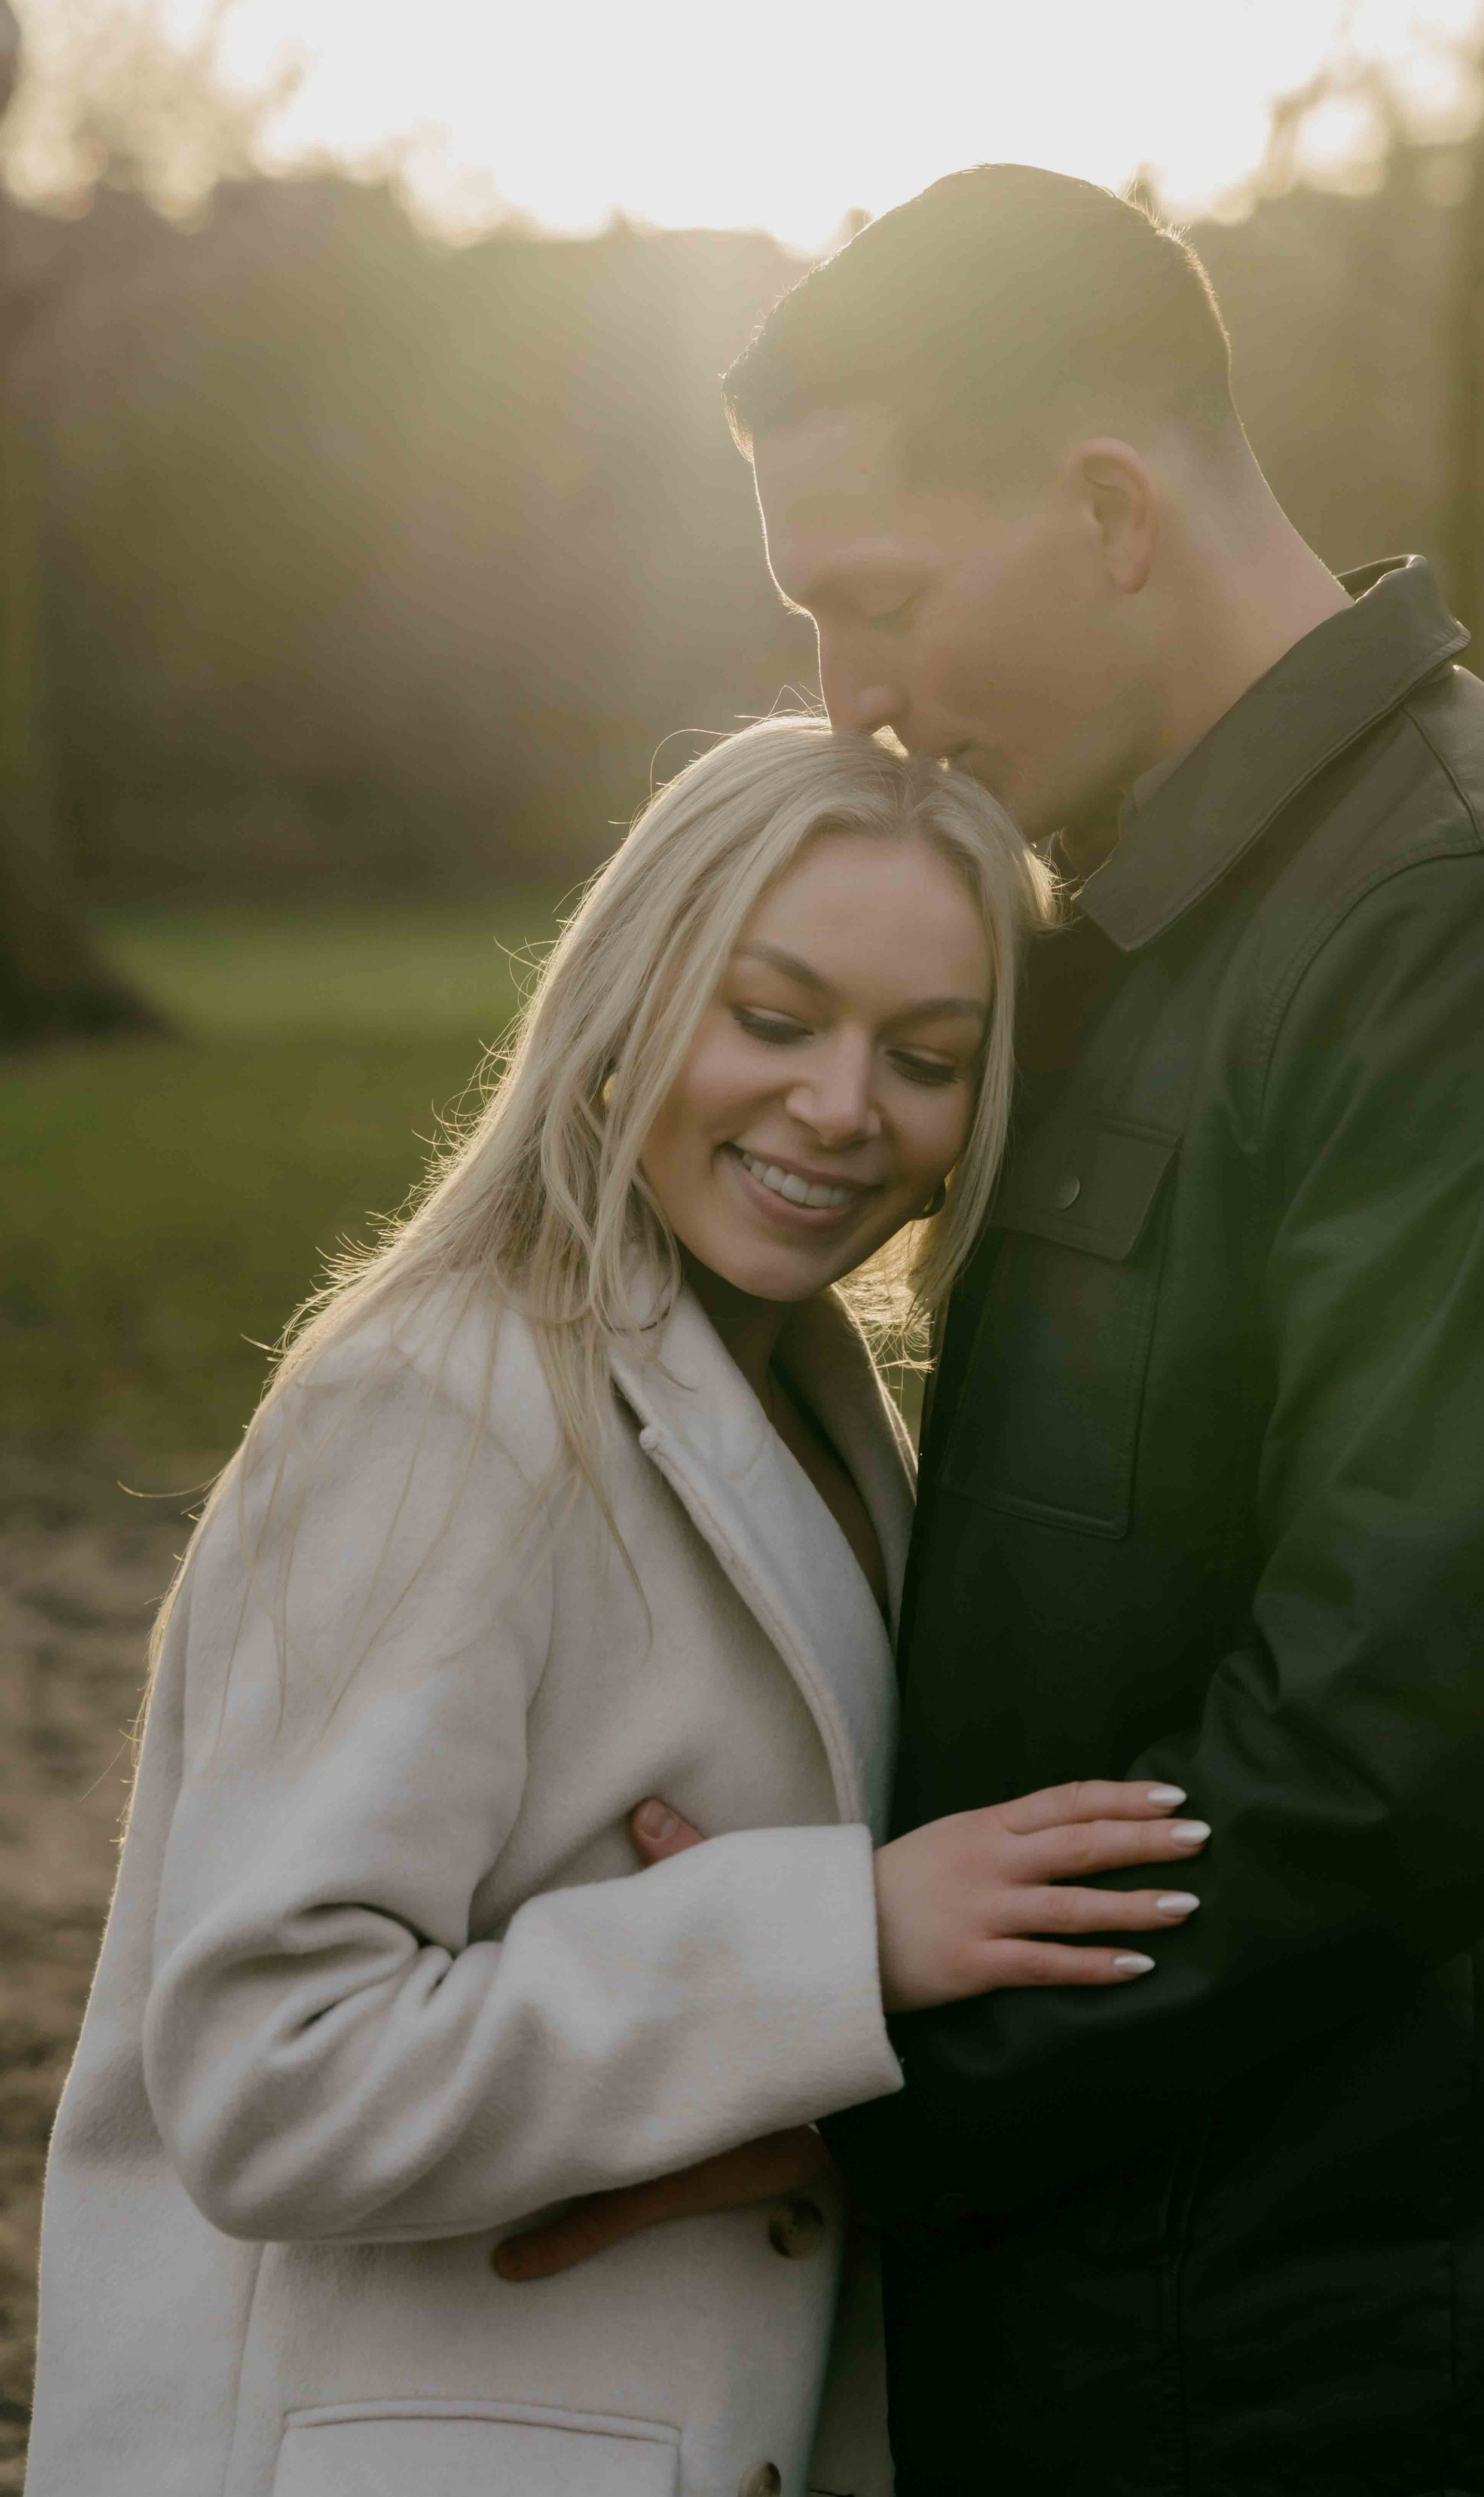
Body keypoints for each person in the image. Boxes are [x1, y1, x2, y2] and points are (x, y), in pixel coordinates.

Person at [542, 169, 1484, 2497]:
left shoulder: (1481, 948)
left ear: (1109, 509)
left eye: (875, 604)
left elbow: (1391, 1765)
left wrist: (846, 2079)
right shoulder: (1146, 927)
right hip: (1132, 2329)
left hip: (1376, 2386)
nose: (854, 707)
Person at [25, 716, 1211, 2497]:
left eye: (926, 1054)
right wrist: (834, 1938)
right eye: (772, 1016)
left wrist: (808, 2031)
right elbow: (272, 2083)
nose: (839, 1106)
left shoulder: (822, 1399)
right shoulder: (441, 1410)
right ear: (631, 994)